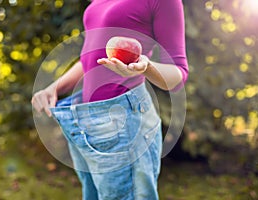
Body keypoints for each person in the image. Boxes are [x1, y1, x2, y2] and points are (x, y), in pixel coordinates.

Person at [31, 0, 188, 199]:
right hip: (85, 120)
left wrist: (146, 67)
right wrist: (55, 87)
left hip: (125, 122)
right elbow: (91, 58)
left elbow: (178, 73)